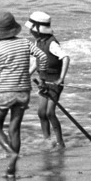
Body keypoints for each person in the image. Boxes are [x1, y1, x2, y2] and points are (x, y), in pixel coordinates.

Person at [0, 11, 31, 177]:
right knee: (15, 129)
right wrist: (30, 72)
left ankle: (10, 153)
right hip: (23, 92)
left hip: (4, 92)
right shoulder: (25, 43)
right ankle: (12, 170)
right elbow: (42, 56)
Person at [26, 11, 71, 149]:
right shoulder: (38, 42)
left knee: (50, 113)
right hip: (43, 82)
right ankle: (47, 140)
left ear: (39, 30)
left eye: (32, 29)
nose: (30, 31)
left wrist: (61, 78)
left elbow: (65, 58)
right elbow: (37, 61)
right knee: (41, 112)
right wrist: (27, 74)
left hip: (54, 82)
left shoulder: (52, 43)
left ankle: (60, 142)